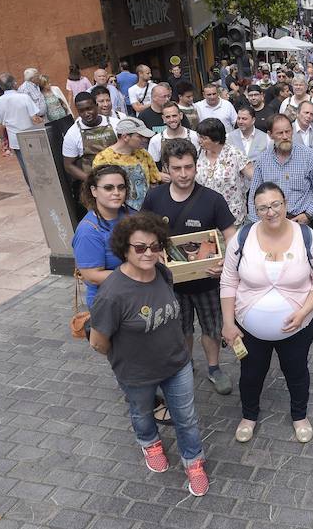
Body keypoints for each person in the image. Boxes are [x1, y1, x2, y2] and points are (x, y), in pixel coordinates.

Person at [88, 212, 209, 497]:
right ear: (124, 249)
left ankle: (194, 461)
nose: (148, 253)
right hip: (136, 371)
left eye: (155, 246)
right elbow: (97, 342)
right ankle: (149, 442)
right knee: (142, 412)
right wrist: (124, 359)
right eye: (140, 247)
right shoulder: (113, 294)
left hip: (176, 362)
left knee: (187, 417)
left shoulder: (164, 273)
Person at [220, 183, 313, 444]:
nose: (270, 212)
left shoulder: (306, 236)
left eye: (275, 205)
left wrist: (305, 311)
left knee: (296, 371)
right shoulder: (242, 237)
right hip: (249, 327)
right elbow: (228, 280)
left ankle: (299, 416)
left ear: (285, 203)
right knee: (250, 373)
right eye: (262, 208)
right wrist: (228, 323)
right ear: (254, 210)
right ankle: (248, 416)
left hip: (298, 326)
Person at [142, 139, 238, 395]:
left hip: (207, 280)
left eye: (188, 167)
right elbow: (143, 233)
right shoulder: (154, 197)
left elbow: (231, 235)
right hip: (170, 283)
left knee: (212, 326)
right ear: (166, 168)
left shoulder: (212, 199)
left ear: (196, 166)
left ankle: (214, 368)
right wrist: (154, 252)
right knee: (179, 328)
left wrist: (225, 263)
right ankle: (185, 365)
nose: (183, 174)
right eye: (176, 168)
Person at [246, 114, 313, 224]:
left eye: (288, 131)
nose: (285, 136)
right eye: (280, 133)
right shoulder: (262, 160)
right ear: (270, 135)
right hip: (271, 220)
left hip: (301, 219)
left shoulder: (309, 156)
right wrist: (257, 223)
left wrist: (309, 215)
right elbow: (254, 195)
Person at [72, 165, 132, 308]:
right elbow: (92, 277)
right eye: (108, 188)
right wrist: (137, 273)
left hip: (135, 296)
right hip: (109, 303)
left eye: (121, 187)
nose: (116, 193)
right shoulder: (88, 231)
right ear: (94, 191)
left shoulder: (130, 214)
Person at [93, 117, 164, 210]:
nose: (145, 139)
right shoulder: (103, 159)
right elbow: (100, 191)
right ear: (125, 137)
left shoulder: (144, 154)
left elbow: (154, 182)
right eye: (140, 136)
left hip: (146, 211)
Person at [195, 118, 254, 226]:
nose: (199, 141)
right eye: (199, 136)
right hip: (206, 215)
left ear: (216, 140)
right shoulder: (198, 154)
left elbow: (255, 177)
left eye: (203, 138)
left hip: (232, 216)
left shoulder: (235, 154)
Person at [0, 73, 41, 188]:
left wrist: (3, 140)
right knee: (38, 162)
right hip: (31, 136)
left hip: (15, 139)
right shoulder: (24, 97)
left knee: (25, 166)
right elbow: (35, 118)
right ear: (14, 83)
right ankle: (42, 186)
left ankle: (32, 188)